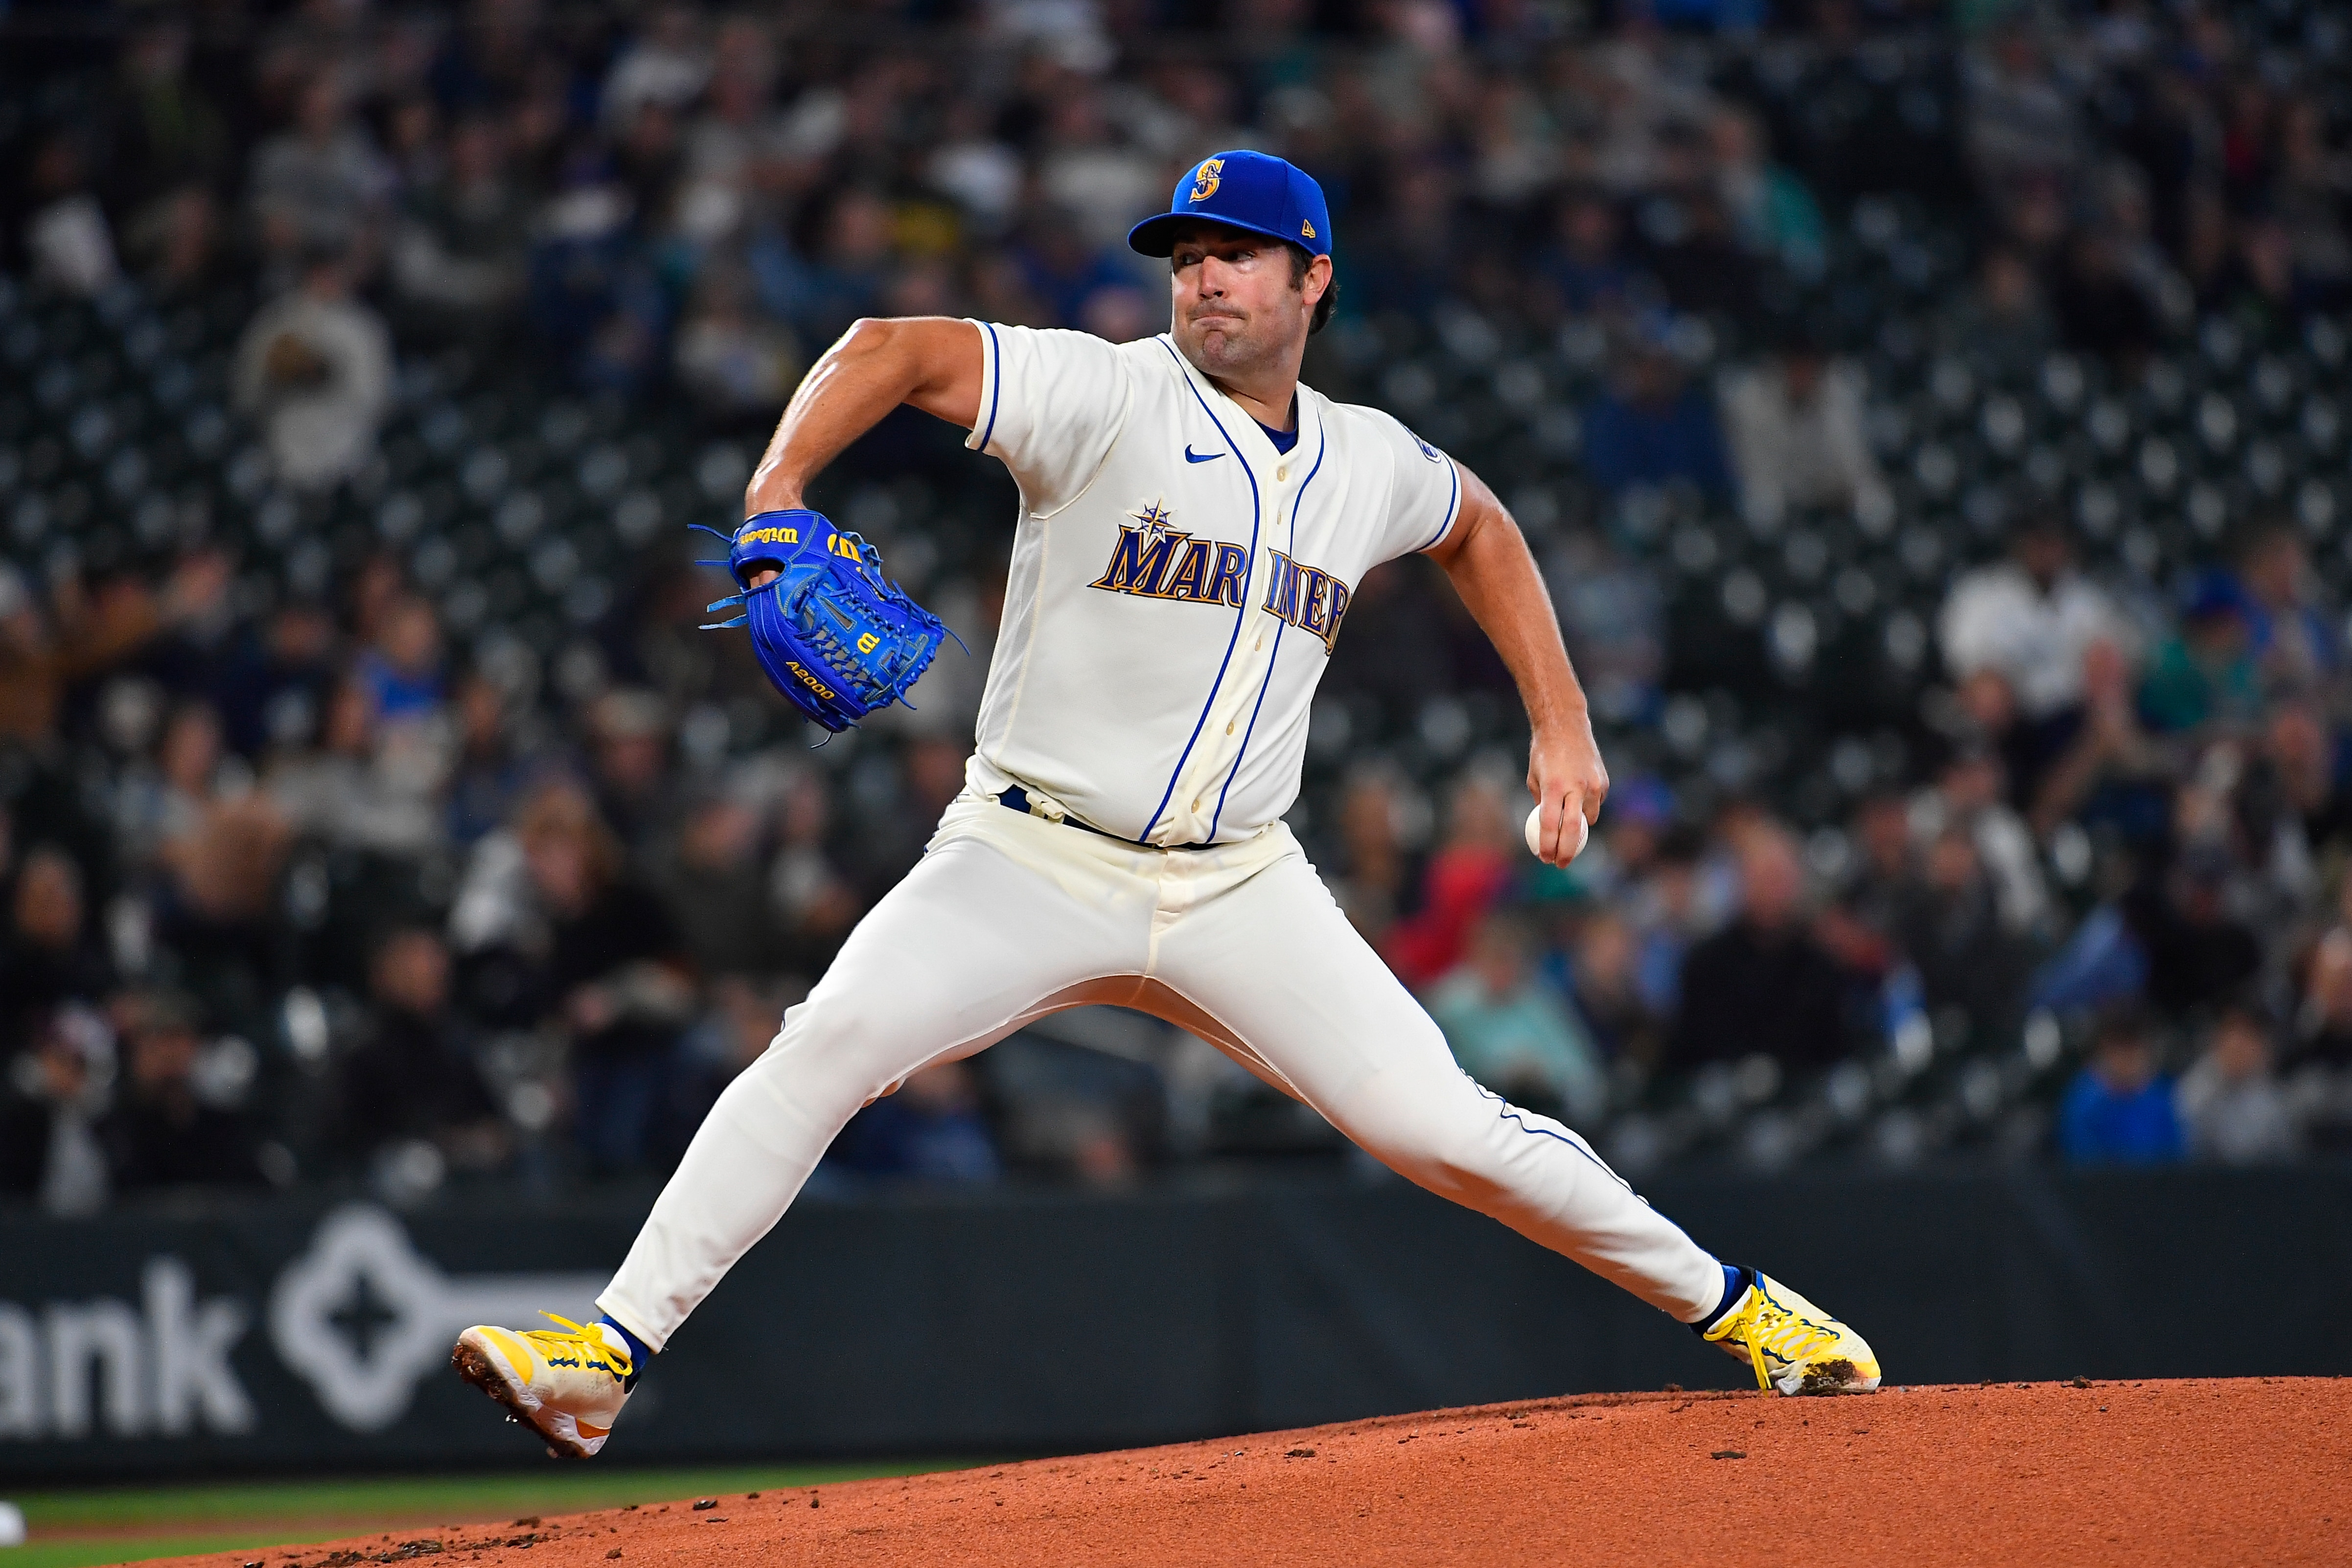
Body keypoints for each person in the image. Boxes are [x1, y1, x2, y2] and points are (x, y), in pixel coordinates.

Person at [451, 151, 1877, 1458]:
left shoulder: (1365, 460)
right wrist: (777, 491)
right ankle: (604, 1360)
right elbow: (889, 349)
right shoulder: (1105, 395)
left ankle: (1749, 1314)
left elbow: (1481, 528)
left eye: (1240, 251)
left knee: (1448, 1131)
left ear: (1314, 278)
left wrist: (1561, 724)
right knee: (828, 1044)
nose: (1203, 274)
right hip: (1028, 855)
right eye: (1187, 251)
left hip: (1240, 886)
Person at [2058, 1004, 2185, 1166]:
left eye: (2132, 1046)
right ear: (2104, 1048)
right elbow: (2081, 1161)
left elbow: (2177, 1157)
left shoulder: (2163, 1096)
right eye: (2118, 1047)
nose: (2125, 1057)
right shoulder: (2082, 1102)